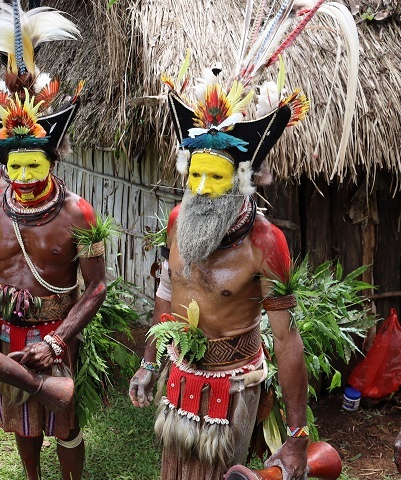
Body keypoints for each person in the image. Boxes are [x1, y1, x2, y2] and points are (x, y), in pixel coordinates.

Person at [129, 3, 358, 474]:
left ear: (242, 179)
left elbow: (287, 340)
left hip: (236, 386)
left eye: (216, 177)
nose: (201, 188)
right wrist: (150, 362)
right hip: (180, 374)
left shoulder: (264, 243)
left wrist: (297, 437)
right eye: (195, 175)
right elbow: (168, 291)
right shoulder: (178, 220)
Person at [0, 3, 106, 479]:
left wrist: (59, 341)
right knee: (23, 422)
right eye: (12, 166)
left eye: (32, 165)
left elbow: (98, 288)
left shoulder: (77, 213)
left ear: (51, 162)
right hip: (7, 326)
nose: (20, 176)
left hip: (57, 330)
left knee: (64, 422)